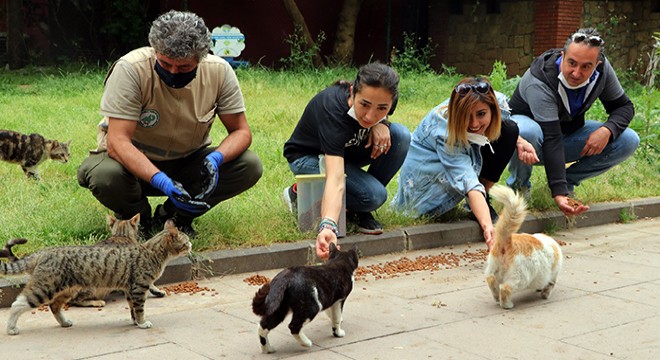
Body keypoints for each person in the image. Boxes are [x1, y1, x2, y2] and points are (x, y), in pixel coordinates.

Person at [77, 10, 263, 237]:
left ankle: (175, 217)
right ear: (155, 50)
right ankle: (139, 218)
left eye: (184, 67)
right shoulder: (130, 69)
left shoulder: (220, 72)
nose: (173, 72)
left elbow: (241, 132)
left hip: (187, 161)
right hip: (130, 164)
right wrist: (160, 180)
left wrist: (215, 159)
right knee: (105, 175)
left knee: (249, 165)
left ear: (201, 58)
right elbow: (117, 142)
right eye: (165, 64)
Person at [391, 77, 538, 250]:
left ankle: (482, 199)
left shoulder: (497, 101)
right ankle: (478, 206)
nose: (474, 124)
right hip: (425, 186)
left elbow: (498, 124)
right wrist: (488, 226)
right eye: (465, 117)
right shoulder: (444, 133)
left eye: (481, 114)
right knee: (472, 184)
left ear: (492, 108)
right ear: (456, 113)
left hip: (462, 159)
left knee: (509, 130)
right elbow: (468, 182)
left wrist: (519, 141)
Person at [283, 62, 411, 259]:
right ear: (352, 92)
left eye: (382, 108)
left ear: (391, 102)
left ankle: (360, 208)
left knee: (400, 135)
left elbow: (377, 115)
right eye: (364, 105)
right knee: (374, 196)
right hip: (308, 158)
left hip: (347, 151)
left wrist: (382, 123)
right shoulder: (333, 111)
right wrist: (328, 226)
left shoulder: (383, 103)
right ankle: (300, 192)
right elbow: (335, 178)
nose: (370, 115)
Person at [507, 28, 639, 216]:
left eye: (586, 66)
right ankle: (519, 188)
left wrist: (607, 130)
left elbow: (624, 107)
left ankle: (568, 181)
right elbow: (551, 138)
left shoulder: (603, 71)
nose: (576, 73)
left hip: (565, 136)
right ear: (563, 55)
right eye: (572, 63)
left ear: (597, 64)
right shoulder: (540, 79)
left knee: (628, 139)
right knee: (527, 132)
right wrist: (559, 195)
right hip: (531, 143)